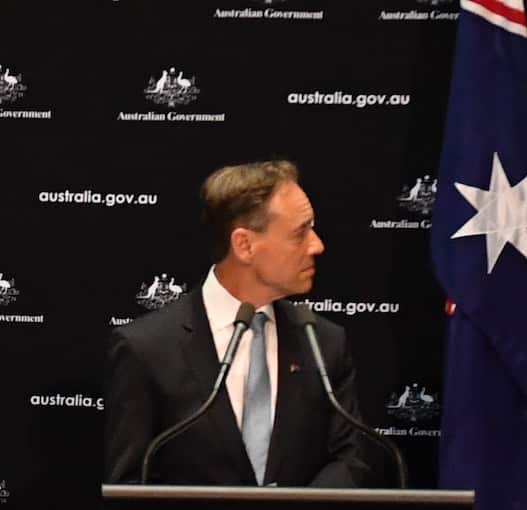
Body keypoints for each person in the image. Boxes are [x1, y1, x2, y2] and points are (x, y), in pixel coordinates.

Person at [104, 160, 377, 486]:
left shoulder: (323, 343)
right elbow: (130, 487)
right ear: (244, 245)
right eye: (300, 233)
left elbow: (351, 459)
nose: (317, 245)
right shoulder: (148, 349)